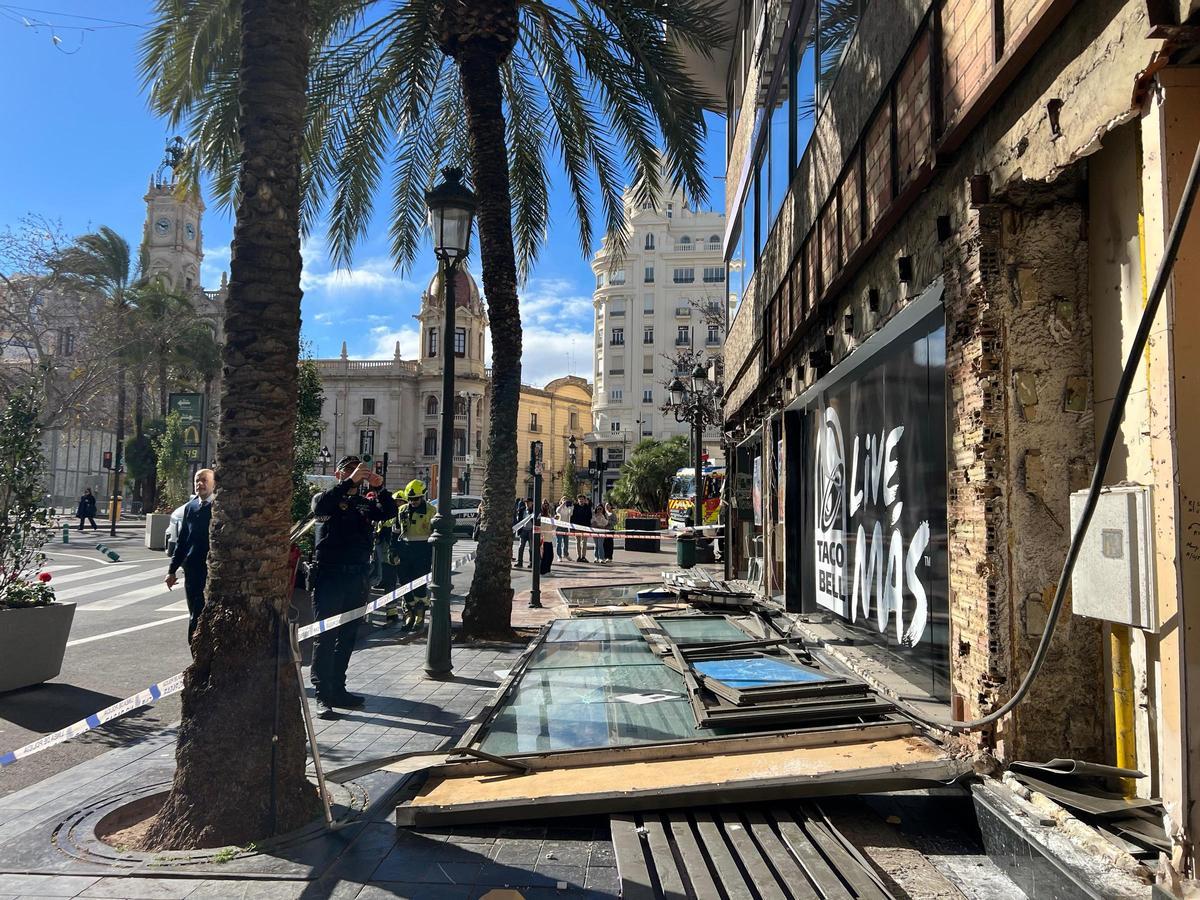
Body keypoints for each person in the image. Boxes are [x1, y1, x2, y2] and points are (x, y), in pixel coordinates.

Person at [309, 455, 397, 719]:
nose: (356, 475)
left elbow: (389, 513)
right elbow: (320, 510)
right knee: (325, 637)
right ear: (338, 475)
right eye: (348, 470)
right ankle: (322, 695)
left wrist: (380, 488)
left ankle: (338, 689)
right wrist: (348, 481)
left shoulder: (362, 503)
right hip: (329, 577)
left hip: (356, 578)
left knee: (347, 636)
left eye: (358, 470)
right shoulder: (326, 498)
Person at [165, 469, 215, 643]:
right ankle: (197, 652)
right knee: (193, 610)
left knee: (200, 614)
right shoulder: (190, 507)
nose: (199, 484)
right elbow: (183, 541)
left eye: (204, 480)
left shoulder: (218, 508)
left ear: (213, 484)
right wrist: (172, 570)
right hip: (192, 569)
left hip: (210, 570)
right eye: (197, 480)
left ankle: (197, 648)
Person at [392, 479, 435, 632]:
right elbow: (396, 531)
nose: (413, 502)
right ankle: (408, 613)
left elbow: (436, 534)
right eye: (410, 499)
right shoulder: (402, 509)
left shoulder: (431, 511)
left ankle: (420, 614)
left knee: (419, 583)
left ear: (422, 496)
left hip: (422, 550)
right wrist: (393, 550)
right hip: (404, 549)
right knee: (404, 583)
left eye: (416, 499)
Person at [570, 494, 592, 562]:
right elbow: (572, 517)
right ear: (578, 500)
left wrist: (589, 528)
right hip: (577, 526)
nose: (581, 501)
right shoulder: (575, 507)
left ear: (584, 500)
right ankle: (579, 556)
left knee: (584, 542)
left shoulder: (588, 507)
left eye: (582, 499)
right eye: (580, 499)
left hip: (585, 527)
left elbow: (590, 516)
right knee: (578, 542)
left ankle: (583, 556)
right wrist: (572, 528)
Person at [538, 500, 555, 575]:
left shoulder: (549, 515)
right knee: (544, 556)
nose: (546, 506)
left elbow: (553, 527)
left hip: (549, 538)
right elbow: (541, 527)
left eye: (547, 504)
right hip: (543, 539)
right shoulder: (540, 516)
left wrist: (556, 521)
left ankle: (548, 570)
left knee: (550, 556)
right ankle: (543, 571)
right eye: (544, 504)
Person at [514, 498, 532, 568]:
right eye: (526, 502)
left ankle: (531, 563)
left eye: (528, 502)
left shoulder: (533, 510)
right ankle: (520, 562)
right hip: (523, 531)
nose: (527, 504)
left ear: (532, 503)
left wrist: (530, 511)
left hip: (531, 531)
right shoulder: (522, 510)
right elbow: (519, 519)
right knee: (521, 547)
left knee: (531, 548)